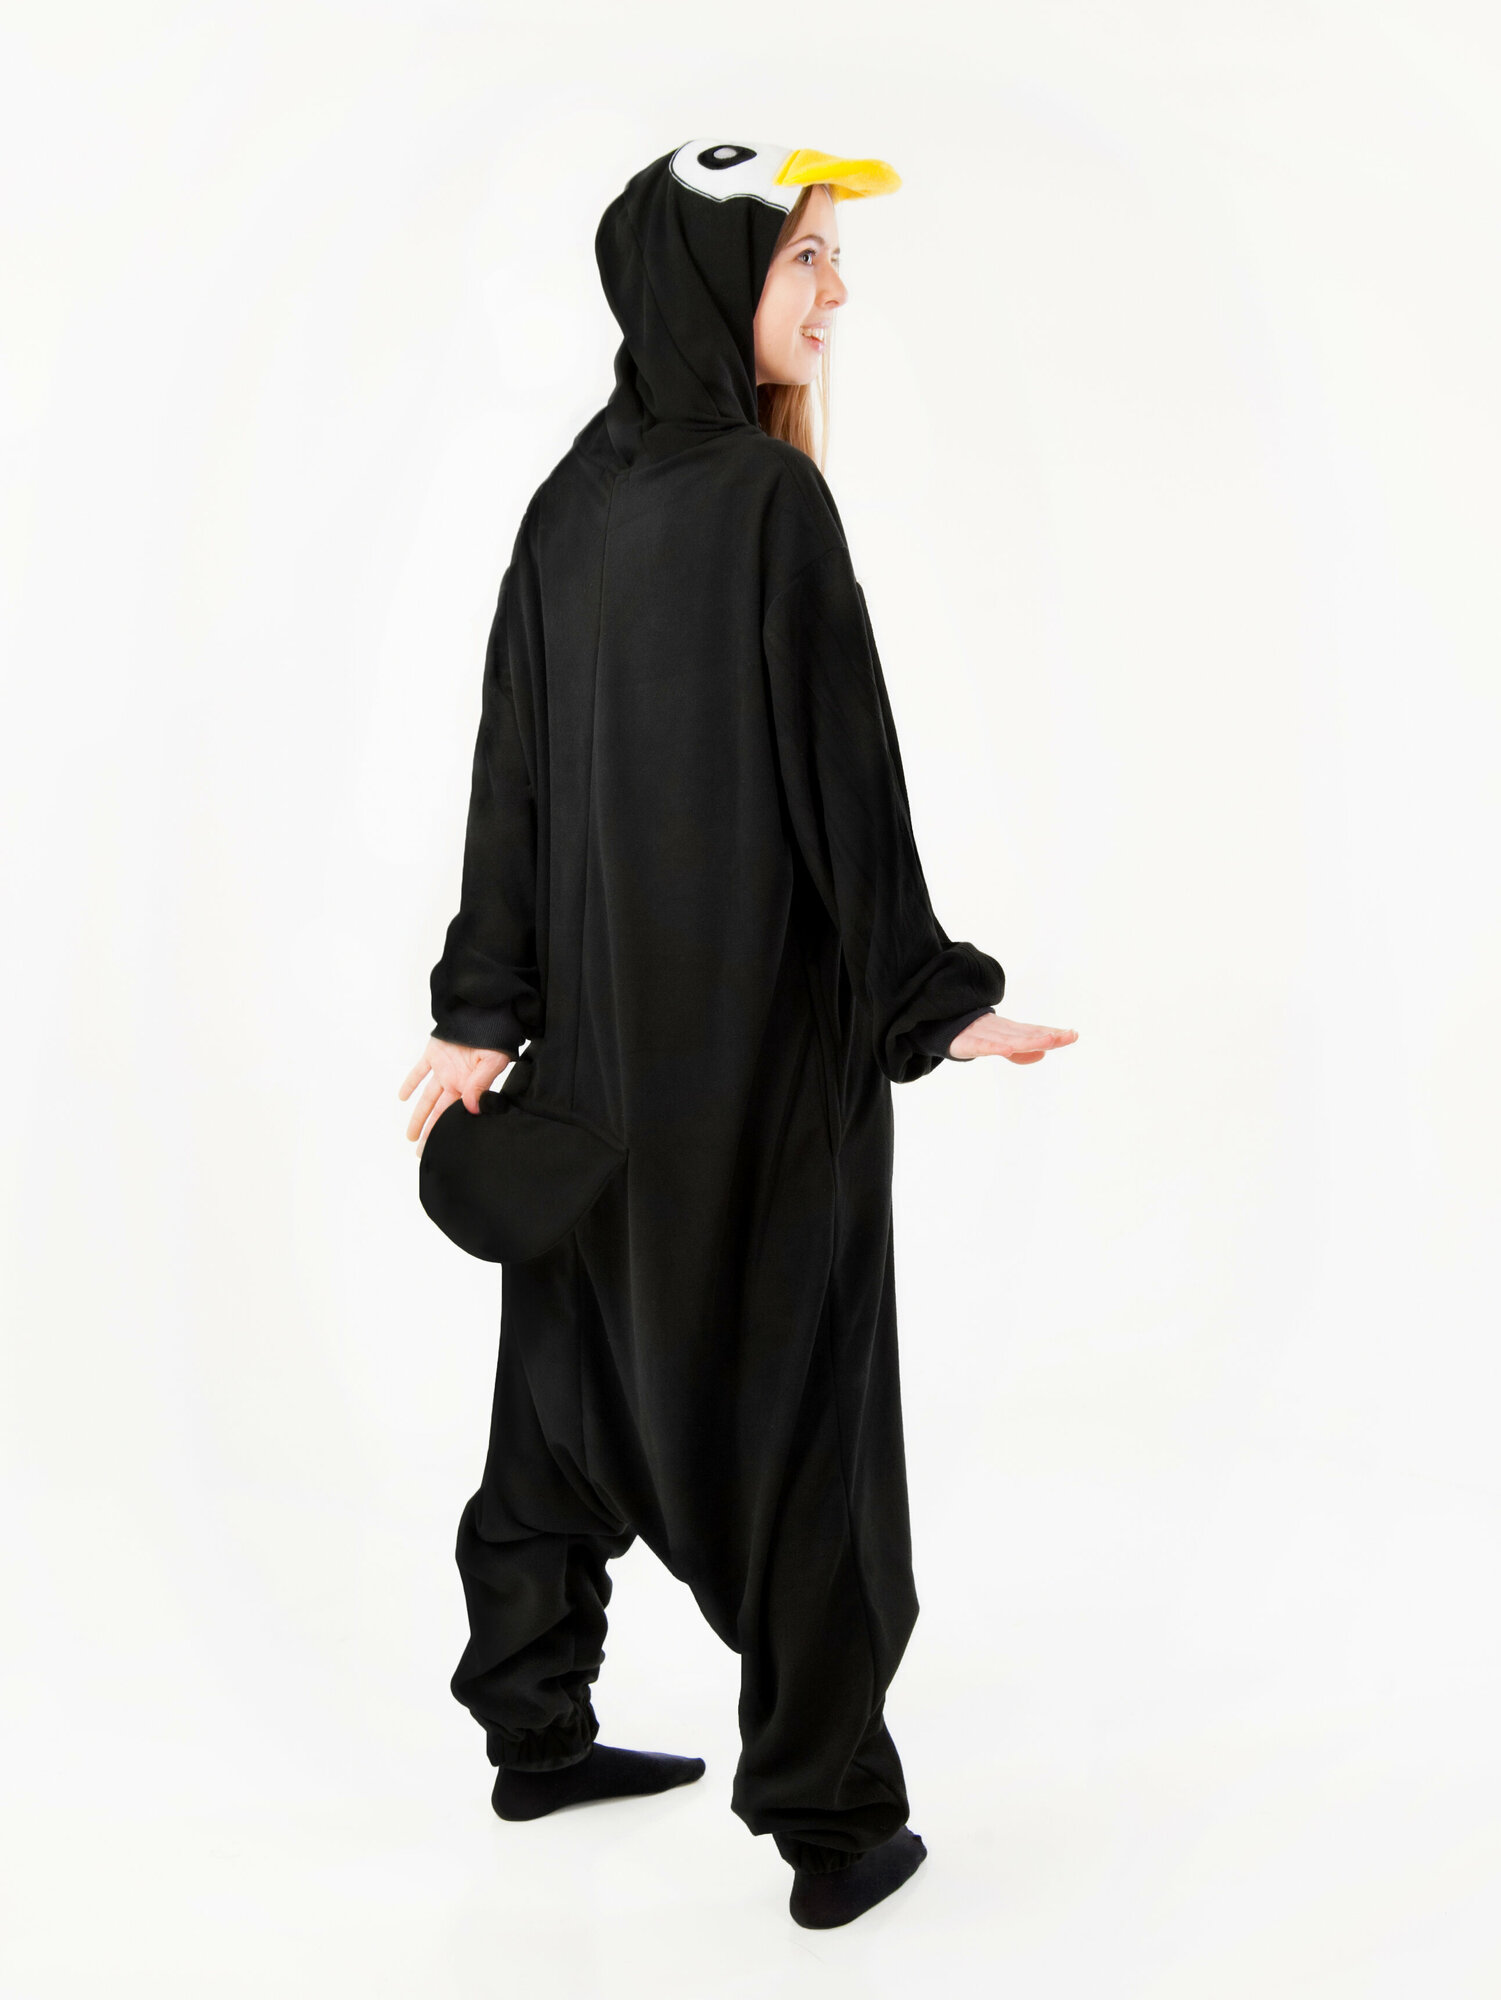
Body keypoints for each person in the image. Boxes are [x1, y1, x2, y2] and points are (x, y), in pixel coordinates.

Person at [398, 137, 1078, 1930]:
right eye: (803, 260)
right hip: (761, 1079)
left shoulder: (569, 502)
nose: (836, 292)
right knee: (802, 1431)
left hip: (596, 1081)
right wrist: (929, 998)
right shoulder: (771, 505)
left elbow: (509, 772)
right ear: (713, 283)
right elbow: (845, 782)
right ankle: (835, 1828)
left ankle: (533, 1732)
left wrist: (483, 1014)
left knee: (561, 1404)